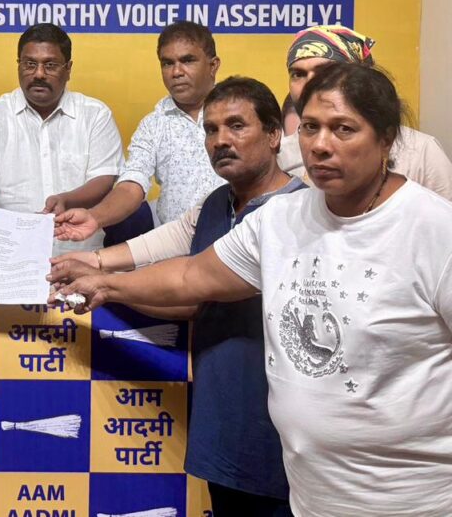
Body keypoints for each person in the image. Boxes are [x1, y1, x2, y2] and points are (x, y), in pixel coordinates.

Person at [54, 63, 452, 515]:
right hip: (313, 497)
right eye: (311, 127)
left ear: (386, 138)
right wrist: (103, 281)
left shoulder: (434, 229)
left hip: (415, 502)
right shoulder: (280, 219)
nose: (321, 145)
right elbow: (190, 277)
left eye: (343, 129)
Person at [51, 77, 302, 516]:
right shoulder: (217, 203)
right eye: (211, 129)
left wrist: (106, 283)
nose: (221, 140)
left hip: (284, 435)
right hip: (223, 424)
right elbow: (170, 248)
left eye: (237, 126)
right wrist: (93, 262)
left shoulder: (300, 210)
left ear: (274, 134)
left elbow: (191, 289)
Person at [0, 23, 124, 255]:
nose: (39, 74)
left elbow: (104, 179)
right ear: (18, 65)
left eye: (50, 65)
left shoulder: (95, 115)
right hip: (6, 254)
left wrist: (67, 199)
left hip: (78, 252)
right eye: (30, 64)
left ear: (68, 69)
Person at [54, 21, 225, 243]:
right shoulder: (153, 125)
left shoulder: (239, 111)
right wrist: (94, 217)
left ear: (213, 65)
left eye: (187, 60)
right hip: (179, 250)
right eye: (167, 63)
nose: (176, 72)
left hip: (238, 244)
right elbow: (131, 186)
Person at [279, 25, 452, 200]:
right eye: (298, 74)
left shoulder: (421, 151)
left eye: (326, 72)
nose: (309, 84)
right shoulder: (281, 154)